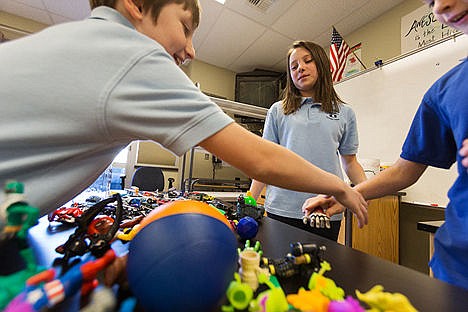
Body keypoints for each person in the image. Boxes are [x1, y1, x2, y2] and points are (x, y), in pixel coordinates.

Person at [0, 0, 368, 227]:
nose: (191, 50)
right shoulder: (136, 55)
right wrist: (338, 186)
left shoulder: (78, 39)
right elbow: (260, 159)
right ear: (137, 4)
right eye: (185, 28)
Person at [304, 0, 468, 290]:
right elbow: (405, 170)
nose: (441, 5)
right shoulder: (443, 92)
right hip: (455, 265)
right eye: (430, 1)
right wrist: (345, 194)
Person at [249, 41, 366, 241]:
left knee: (322, 268)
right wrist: (250, 199)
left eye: (307, 61)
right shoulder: (278, 110)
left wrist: (364, 193)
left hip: (325, 209)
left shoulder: (345, 113)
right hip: (281, 208)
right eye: (293, 66)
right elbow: (266, 160)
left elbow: (350, 162)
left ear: (320, 64)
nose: (300, 68)